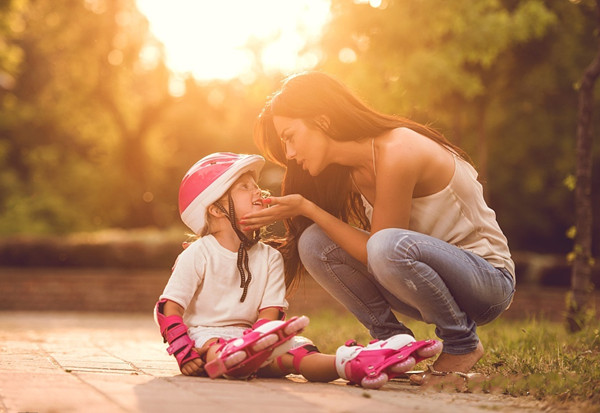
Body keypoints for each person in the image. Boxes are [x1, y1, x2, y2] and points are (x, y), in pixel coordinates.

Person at [242, 71, 516, 384]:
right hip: (427, 281)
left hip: (487, 282)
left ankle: (462, 343)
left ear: (323, 121)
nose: (289, 153)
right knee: (313, 243)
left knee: (384, 245)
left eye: (290, 136)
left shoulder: (397, 150)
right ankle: (395, 346)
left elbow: (382, 249)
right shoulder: (352, 171)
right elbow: (377, 252)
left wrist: (309, 207)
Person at [154, 152, 442, 388]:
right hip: (207, 338)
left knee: (299, 352)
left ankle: (355, 363)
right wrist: (182, 349)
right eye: (244, 187)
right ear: (215, 209)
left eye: (256, 185)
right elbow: (169, 308)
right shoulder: (197, 253)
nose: (258, 191)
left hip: (255, 338)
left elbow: (270, 315)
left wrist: (259, 344)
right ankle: (231, 359)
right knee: (215, 344)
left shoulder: (269, 258)